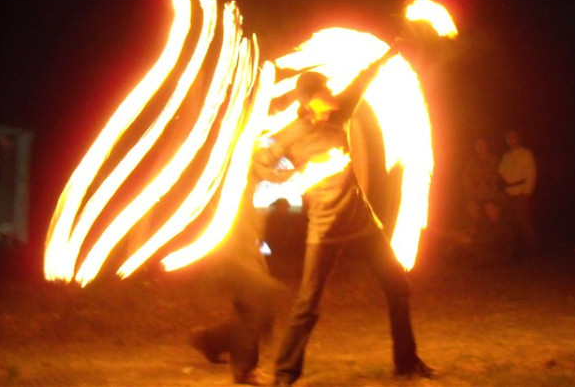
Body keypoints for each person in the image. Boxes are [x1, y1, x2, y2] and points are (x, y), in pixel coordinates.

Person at [252, 58, 434, 387]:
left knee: (397, 286)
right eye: (324, 90)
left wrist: (395, 46)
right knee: (307, 305)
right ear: (310, 100)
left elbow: (365, 76)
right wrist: (290, 177)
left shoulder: (342, 113)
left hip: (360, 219)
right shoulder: (290, 135)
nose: (331, 93)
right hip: (325, 227)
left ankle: (407, 362)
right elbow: (259, 163)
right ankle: (284, 375)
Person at [188, 171, 285, 385]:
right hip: (234, 256)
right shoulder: (240, 175)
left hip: (247, 254)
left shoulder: (254, 180)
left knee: (255, 310)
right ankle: (245, 369)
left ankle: (209, 340)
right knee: (254, 308)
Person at [498, 129, 538, 255]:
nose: (512, 139)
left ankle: (532, 248)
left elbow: (531, 174)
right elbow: (501, 172)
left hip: (521, 191)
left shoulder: (526, 154)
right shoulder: (506, 156)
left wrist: (527, 192)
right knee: (510, 221)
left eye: (514, 137)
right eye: (509, 137)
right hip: (508, 191)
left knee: (523, 221)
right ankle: (514, 249)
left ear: (518, 138)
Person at [461, 137, 502, 227]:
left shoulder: (493, 160)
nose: (480, 147)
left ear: (487, 146)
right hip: (475, 194)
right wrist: (470, 192)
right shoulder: (471, 163)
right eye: (478, 145)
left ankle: (496, 228)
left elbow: (497, 176)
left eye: (482, 144)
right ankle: (476, 228)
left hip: (490, 194)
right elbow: (465, 178)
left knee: (491, 209)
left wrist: (489, 183)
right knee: (472, 207)